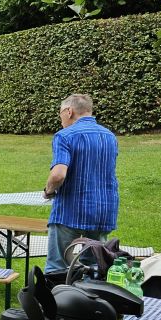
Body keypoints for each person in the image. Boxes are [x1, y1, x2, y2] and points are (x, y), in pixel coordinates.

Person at [43, 94, 118, 274]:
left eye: (60, 113)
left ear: (69, 111)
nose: (60, 118)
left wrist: (48, 191)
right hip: (103, 209)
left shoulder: (65, 136)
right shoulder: (110, 136)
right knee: (95, 266)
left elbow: (58, 174)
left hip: (71, 210)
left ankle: (57, 300)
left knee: (57, 267)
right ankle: (89, 300)